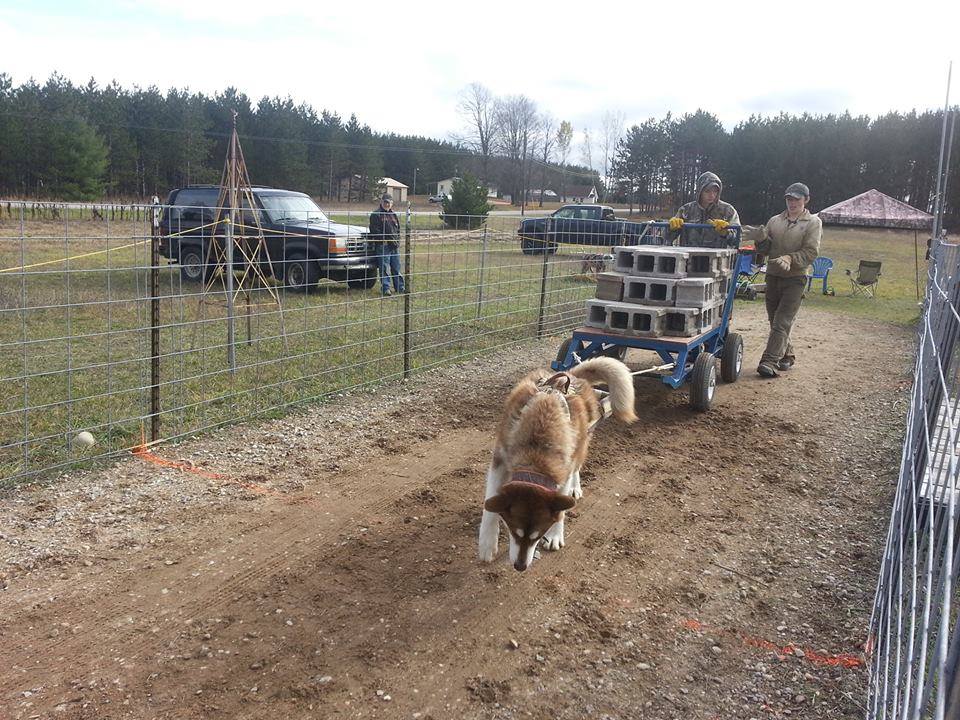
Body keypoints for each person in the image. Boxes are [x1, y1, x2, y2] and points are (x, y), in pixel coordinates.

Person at [749, 182, 822, 378]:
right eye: (789, 199)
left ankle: (769, 362)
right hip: (772, 277)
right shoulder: (774, 221)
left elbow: (811, 252)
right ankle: (787, 354)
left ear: (806, 200)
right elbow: (765, 250)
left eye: (797, 199)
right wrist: (760, 240)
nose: (792, 203)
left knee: (782, 321)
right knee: (775, 321)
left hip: (795, 279)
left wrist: (790, 258)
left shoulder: (813, 222)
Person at [667, 171, 741, 248]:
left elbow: (738, 239)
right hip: (688, 257)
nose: (712, 195)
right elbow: (665, 238)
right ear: (700, 191)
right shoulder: (686, 210)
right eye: (707, 191)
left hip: (716, 258)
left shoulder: (727, 211)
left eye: (715, 191)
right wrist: (671, 228)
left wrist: (727, 233)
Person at [368, 193, 404, 296]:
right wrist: (385, 240)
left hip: (394, 246)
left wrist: (397, 240)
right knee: (384, 268)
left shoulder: (393, 215)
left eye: (389, 202)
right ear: (381, 202)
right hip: (383, 246)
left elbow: (397, 230)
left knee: (396, 267)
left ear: (392, 204)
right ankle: (386, 288)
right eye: (385, 202)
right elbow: (374, 231)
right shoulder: (376, 214)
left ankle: (400, 287)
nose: (387, 204)